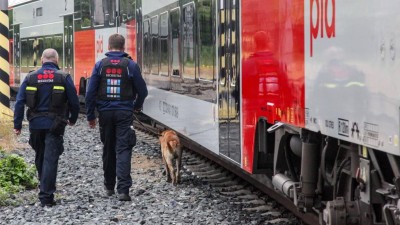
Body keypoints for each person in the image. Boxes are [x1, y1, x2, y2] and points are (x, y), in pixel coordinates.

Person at [13, 48, 80, 207]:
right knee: (50, 158)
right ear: (57, 61)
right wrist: (73, 119)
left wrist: (17, 125)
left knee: (41, 155)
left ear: (42, 60)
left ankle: (45, 188)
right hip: (55, 125)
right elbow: (74, 102)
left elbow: (19, 102)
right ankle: (46, 196)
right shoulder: (63, 77)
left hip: (35, 125)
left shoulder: (30, 77)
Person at [85, 34, 148, 201]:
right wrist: (136, 106)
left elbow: (90, 93)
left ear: (108, 45)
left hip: (105, 114)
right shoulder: (131, 65)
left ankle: (108, 186)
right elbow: (143, 91)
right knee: (124, 148)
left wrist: (91, 115)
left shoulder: (100, 65)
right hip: (124, 114)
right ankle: (123, 190)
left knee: (108, 148)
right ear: (123, 46)